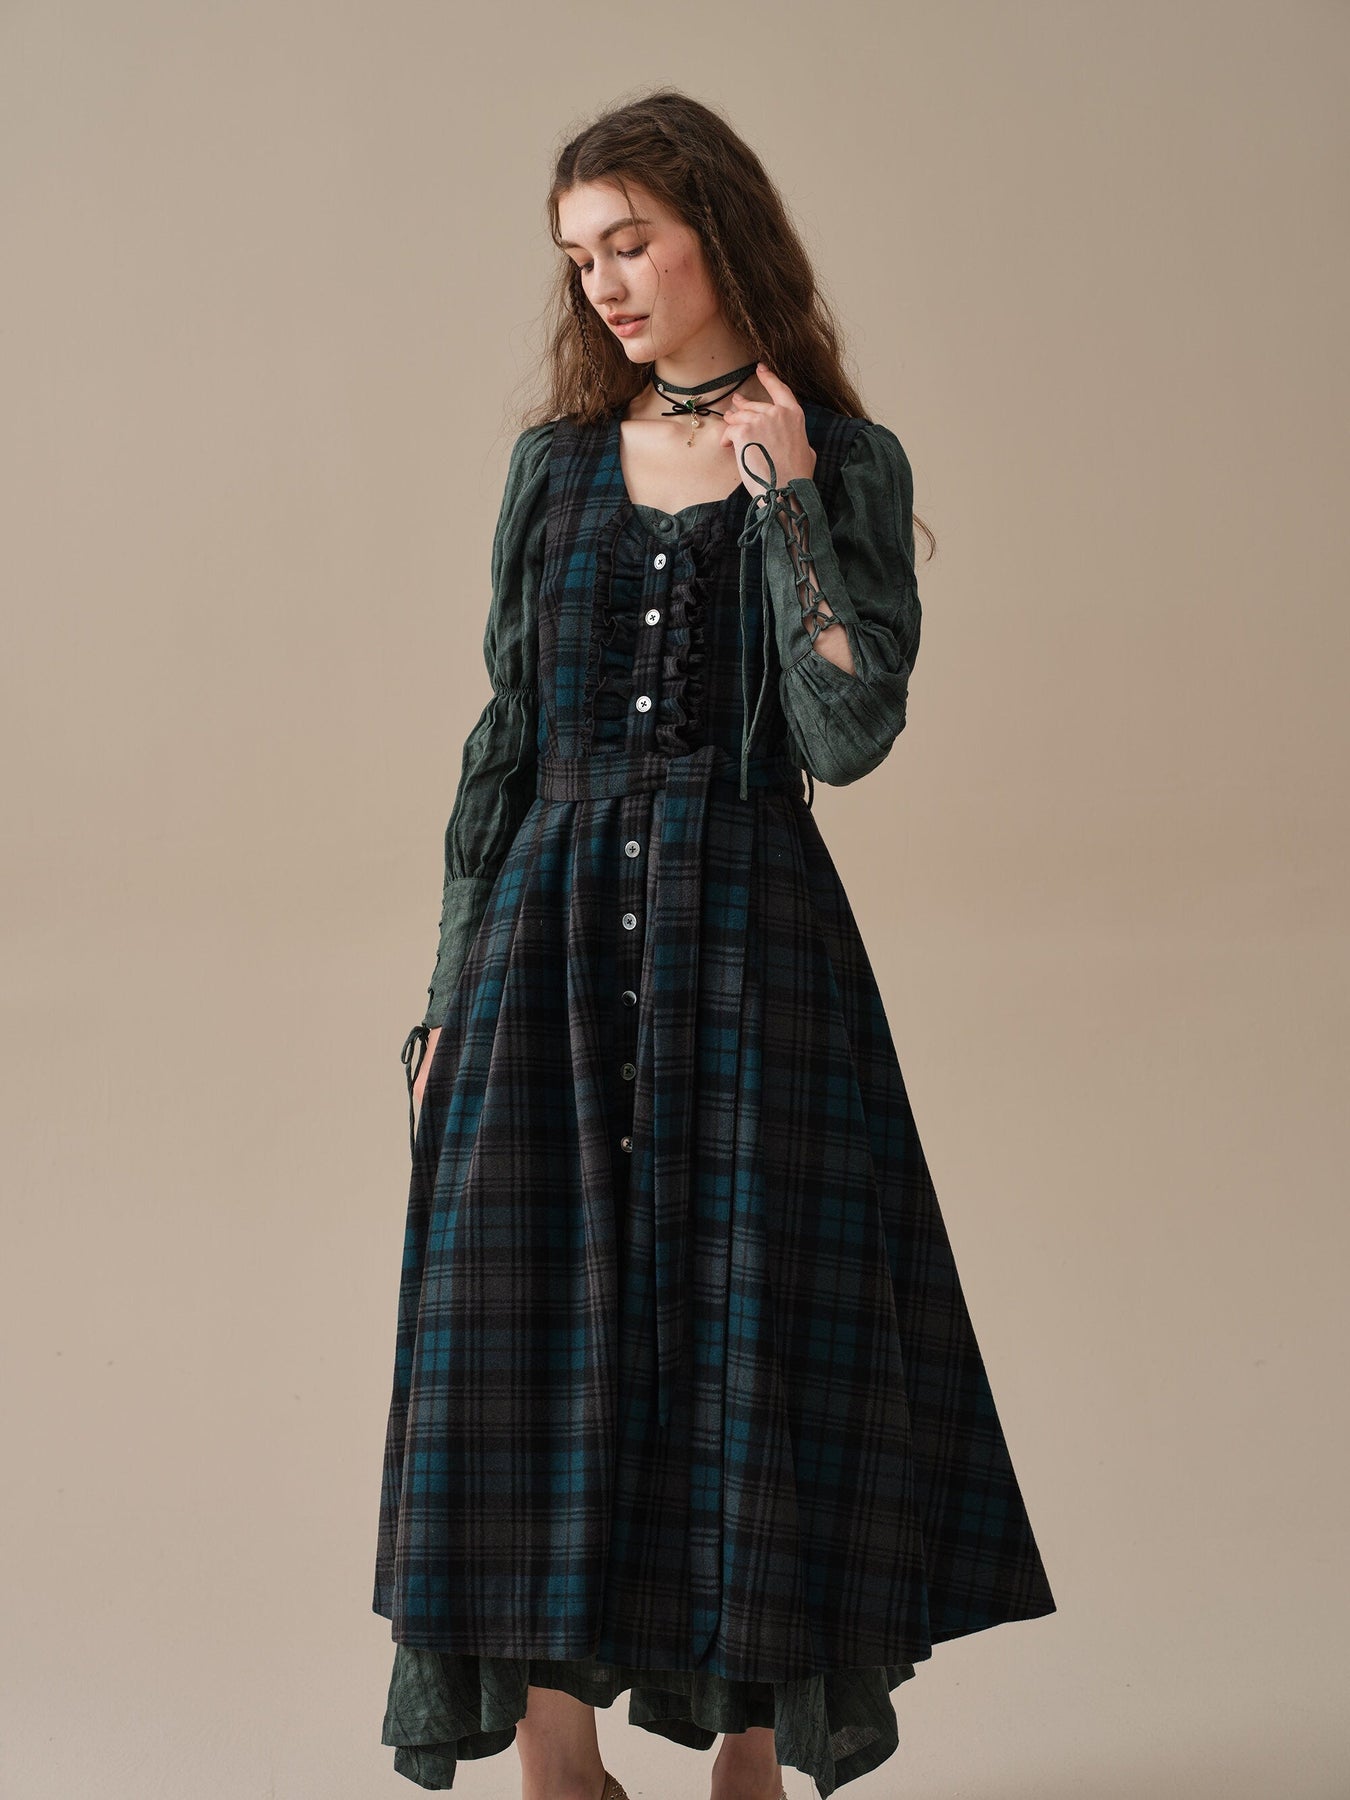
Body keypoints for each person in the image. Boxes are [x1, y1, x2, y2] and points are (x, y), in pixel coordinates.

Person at [374, 87, 1057, 1800]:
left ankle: (747, 1761)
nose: (604, 283)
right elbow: (506, 738)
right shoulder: (550, 469)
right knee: (523, 1335)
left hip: (752, 948)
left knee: (751, 1333)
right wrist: (446, 996)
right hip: (539, 946)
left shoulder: (844, 460)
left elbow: (843, 732)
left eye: (632, 242)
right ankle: (558, 1763)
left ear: (714, 233)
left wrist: (786, 499)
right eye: (579, 257)